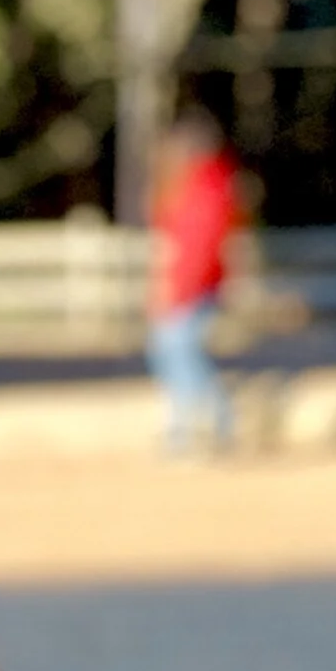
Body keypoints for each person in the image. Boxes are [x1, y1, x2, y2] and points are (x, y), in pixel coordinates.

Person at [147, 108, 238, 455]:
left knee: (180, 355)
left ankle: (204, 425)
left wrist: (178, 290)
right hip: (187, 286)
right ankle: (190, 429)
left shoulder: (203, 189)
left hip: (191, 288)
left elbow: (197, 248)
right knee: (175, 354)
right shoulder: (194, 186)